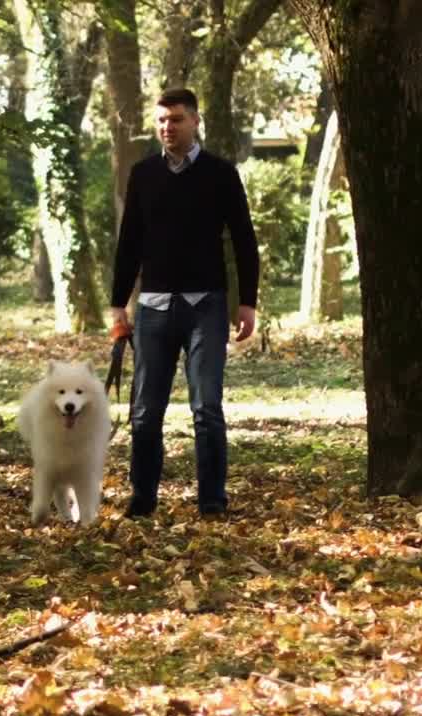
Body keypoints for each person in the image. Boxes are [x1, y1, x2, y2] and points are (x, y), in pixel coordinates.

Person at [108, 87, 260, 519]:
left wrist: (246, 303)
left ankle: (212, 500)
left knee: (206, 408)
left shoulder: (220, 174)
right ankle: (143, 499)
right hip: (153, 307)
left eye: (175, 119)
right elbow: (129, 243)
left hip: (205, 307)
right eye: (161, 120)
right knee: (144, 411)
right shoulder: (142, 175)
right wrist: (118, 304)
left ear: (195, 122)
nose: (166, 127)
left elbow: (244, 241)